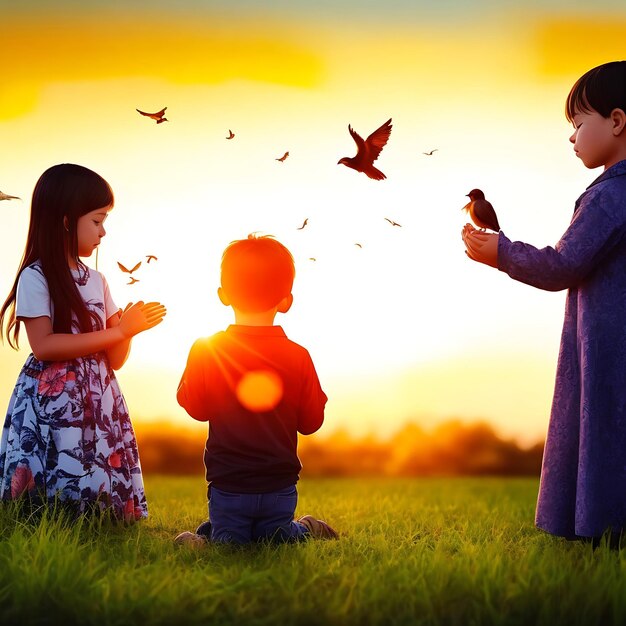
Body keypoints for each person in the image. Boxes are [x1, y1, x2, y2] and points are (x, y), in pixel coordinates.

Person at [462, 61, 626, 546]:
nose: (572, 137)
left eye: (578, 124)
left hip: (609, 346)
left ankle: (606, 532)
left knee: (605, 427)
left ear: (617, 121)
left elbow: (562, 266)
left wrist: (501, 253)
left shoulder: (609, 197)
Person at [0, 163, 166, 520]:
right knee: (58, 460)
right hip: (52, 398)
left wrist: (128, 330)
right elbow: (43, 345)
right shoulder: (36, 276)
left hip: (97, 395)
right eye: (97, 220)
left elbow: (115, 358)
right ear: (65, 220)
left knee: (94, 459)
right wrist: (118, 331)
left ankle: (98, 519)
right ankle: (48, 521)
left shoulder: (98, 280)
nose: (103, 232)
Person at [175, 234, 337, 544]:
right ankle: (291, 529)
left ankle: (293, 527)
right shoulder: (298, 355)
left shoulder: (207, 349)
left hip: (230, 485)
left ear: (223, 294)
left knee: (234, 545)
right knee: (272, 540)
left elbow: (196, 409)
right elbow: (311, 423)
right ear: (286, 300)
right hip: (278, 485)